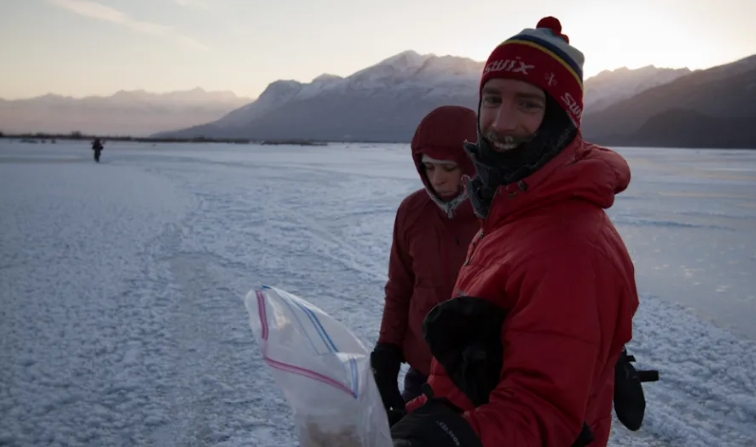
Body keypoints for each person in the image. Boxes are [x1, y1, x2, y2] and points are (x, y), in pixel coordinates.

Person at [389, 17, 641, 447]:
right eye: (492, 99)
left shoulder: (571, 246)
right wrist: (426, 407)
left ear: (562, 118)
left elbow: (541, 412)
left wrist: (449, 438)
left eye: (527, 104)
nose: (501, 123)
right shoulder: (513, 210)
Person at [370, 105, 480, 426]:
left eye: (448, 167)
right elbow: (400, 286)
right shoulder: (412, 212)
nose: (437, 179)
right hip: (422, 372)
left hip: (482, 379)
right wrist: (387, 350)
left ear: (471, 163)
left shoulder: (498, 216)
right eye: (428, 167)